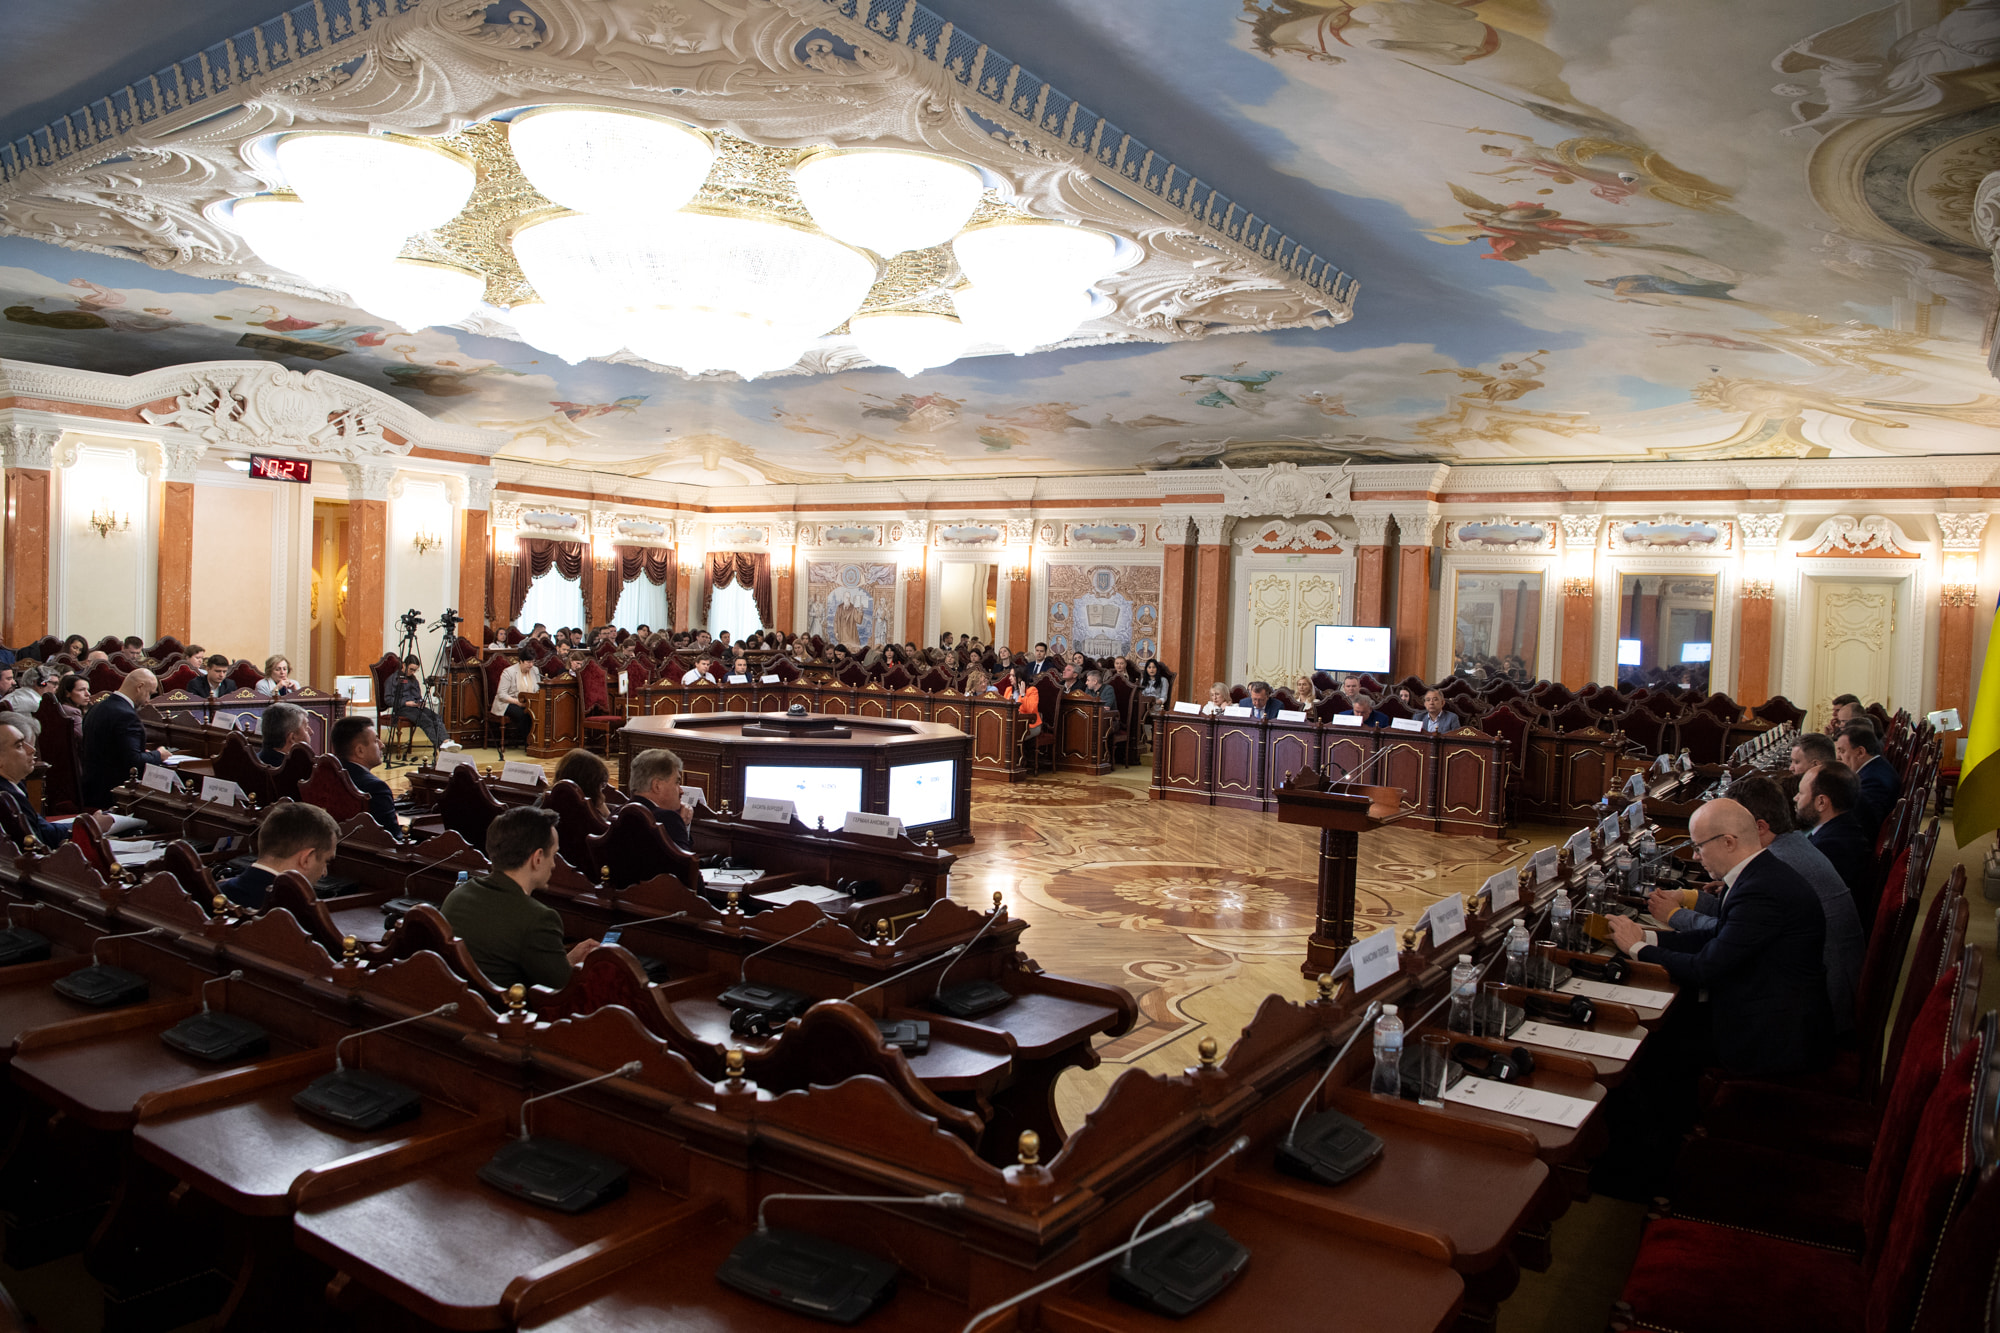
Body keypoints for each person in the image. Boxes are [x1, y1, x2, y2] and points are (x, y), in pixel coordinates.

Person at [1606, 798, 1833, 1077]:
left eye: (1698, 846)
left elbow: (1705, 968)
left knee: (1652, 1053)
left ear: (1728, 842)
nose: (1696, 856)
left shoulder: (1761, 890)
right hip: (1763, 1009)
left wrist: (1638, 948)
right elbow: (1717, 935)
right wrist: (1648, 937)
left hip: (1773, 1038)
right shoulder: (1757, 873)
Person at [1651, 776, 1864, 1038]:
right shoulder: (1784, 849)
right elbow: (1738, 918)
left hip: (1809, 1012)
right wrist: (1690, 898)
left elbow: (1730, 933)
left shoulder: (1778, 867)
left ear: (1756, 828)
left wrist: (1673, 917)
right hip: (1802, 990)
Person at [442, 806, 595, 990]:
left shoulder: (456, 896)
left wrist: (565, 961)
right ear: (537, 858)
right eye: (554, 855)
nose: (554, 865)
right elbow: (565, 993)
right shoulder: (538, 919)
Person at [1794, 760, 1881, 930]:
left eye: (1801, 793)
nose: (1795, 798)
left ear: (1821, 802)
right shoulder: (1842, 828)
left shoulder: (1831, 847)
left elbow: (1801, 904)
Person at [0, 715, 110, 844]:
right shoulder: (6, 795)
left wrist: (88, 824)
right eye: (19, 746)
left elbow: (42, 829)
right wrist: (92, 825)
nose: (32, 750)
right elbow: (40, 841)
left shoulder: (14, 785)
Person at [219, 803, 340, 911]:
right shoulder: (299, 913)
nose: (324, 873)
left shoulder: (216, 892)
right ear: (306, 859)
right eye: (326, 861)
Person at [80, 667, 169, 809]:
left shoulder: (96, 707)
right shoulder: (126, 715)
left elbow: (110, 749)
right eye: (149, 694)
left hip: (92, 789)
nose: (148, 701)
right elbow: (133, 762)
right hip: (115, 796)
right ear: (140, 687)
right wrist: (159, 754)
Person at [330, 715, 399, 836]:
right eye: (376, 740)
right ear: (360, 751)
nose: (382, 745)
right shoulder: (376, 788)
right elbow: (393, 837)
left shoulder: (327, 776)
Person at [1836, 722, 1898, 835]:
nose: (1838, 757)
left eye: (1842, 751)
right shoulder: (1876, 766)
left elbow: (1865, 823)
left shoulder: (1873, 781)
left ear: (1860, 752)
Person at [383, 660, 458, 752]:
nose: (413, 672)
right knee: (425, 720)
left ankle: (446, 741)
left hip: (415, 707)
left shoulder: (413, 679)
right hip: (402, 708)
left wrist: (420, 702)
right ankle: (441, 746)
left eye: (415, 670)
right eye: (411, 669)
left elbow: (417, 695)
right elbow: (388, 699)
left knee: (436, 717)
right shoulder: (393, 679)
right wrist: (406, 703)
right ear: (404, 665)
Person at [627, 747, 693, 850]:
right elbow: (685, 859)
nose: (681, 791)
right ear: (657, 786)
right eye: (677, 782)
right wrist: (683, 824)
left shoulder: (617, 813)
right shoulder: (668, 819)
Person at [491, 651, 539, 751]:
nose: (531, 665)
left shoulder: (535, 670)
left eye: (533, 662)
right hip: (508, 702)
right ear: (521, 661)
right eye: (528, 662)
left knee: (538, 712)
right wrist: (517, 702)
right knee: (525, 714)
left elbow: (538, 689)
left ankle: (537, 742)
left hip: (529, 702)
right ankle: (528, 743)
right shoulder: (509, 672)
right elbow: (501, 694)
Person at [552, 748, 612, 820]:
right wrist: (606, 813)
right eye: (602, 785)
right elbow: (607, 825)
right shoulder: (589, 815)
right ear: (591, 786)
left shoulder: (547, 801)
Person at [259, 702, 310, 770]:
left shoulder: (253, 762)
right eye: (306, 728)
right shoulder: (301, 770)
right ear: (292, 738)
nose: (311, 732)